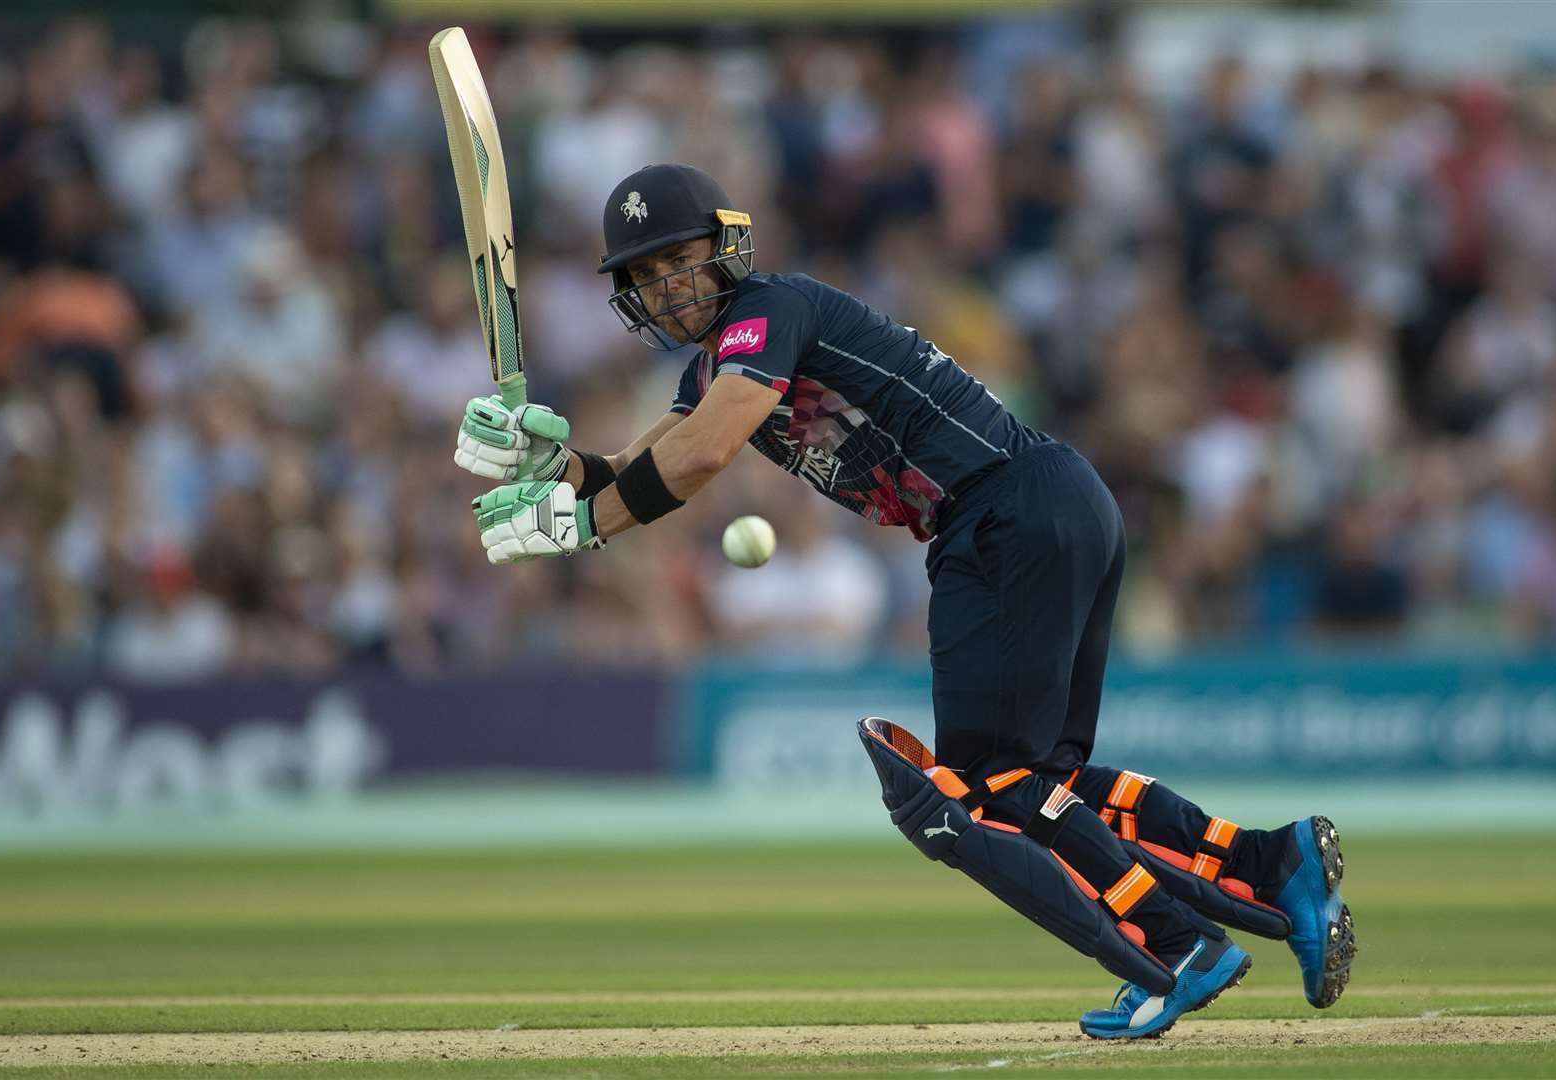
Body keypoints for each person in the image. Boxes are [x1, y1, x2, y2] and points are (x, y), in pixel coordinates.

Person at [452, 164, 1354, 1038]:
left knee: (987, 789)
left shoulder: (769, 311)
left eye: (677, 258)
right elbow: (626, 473)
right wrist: (545, 467)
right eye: (644, 275)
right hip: (1048, 503)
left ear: (728, 248)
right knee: (1043, 784)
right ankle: (1275, 866)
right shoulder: (713, 372)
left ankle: (1179, 943)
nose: (665, 285)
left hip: (1000, 514)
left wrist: (571, 528)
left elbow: (694, 462)